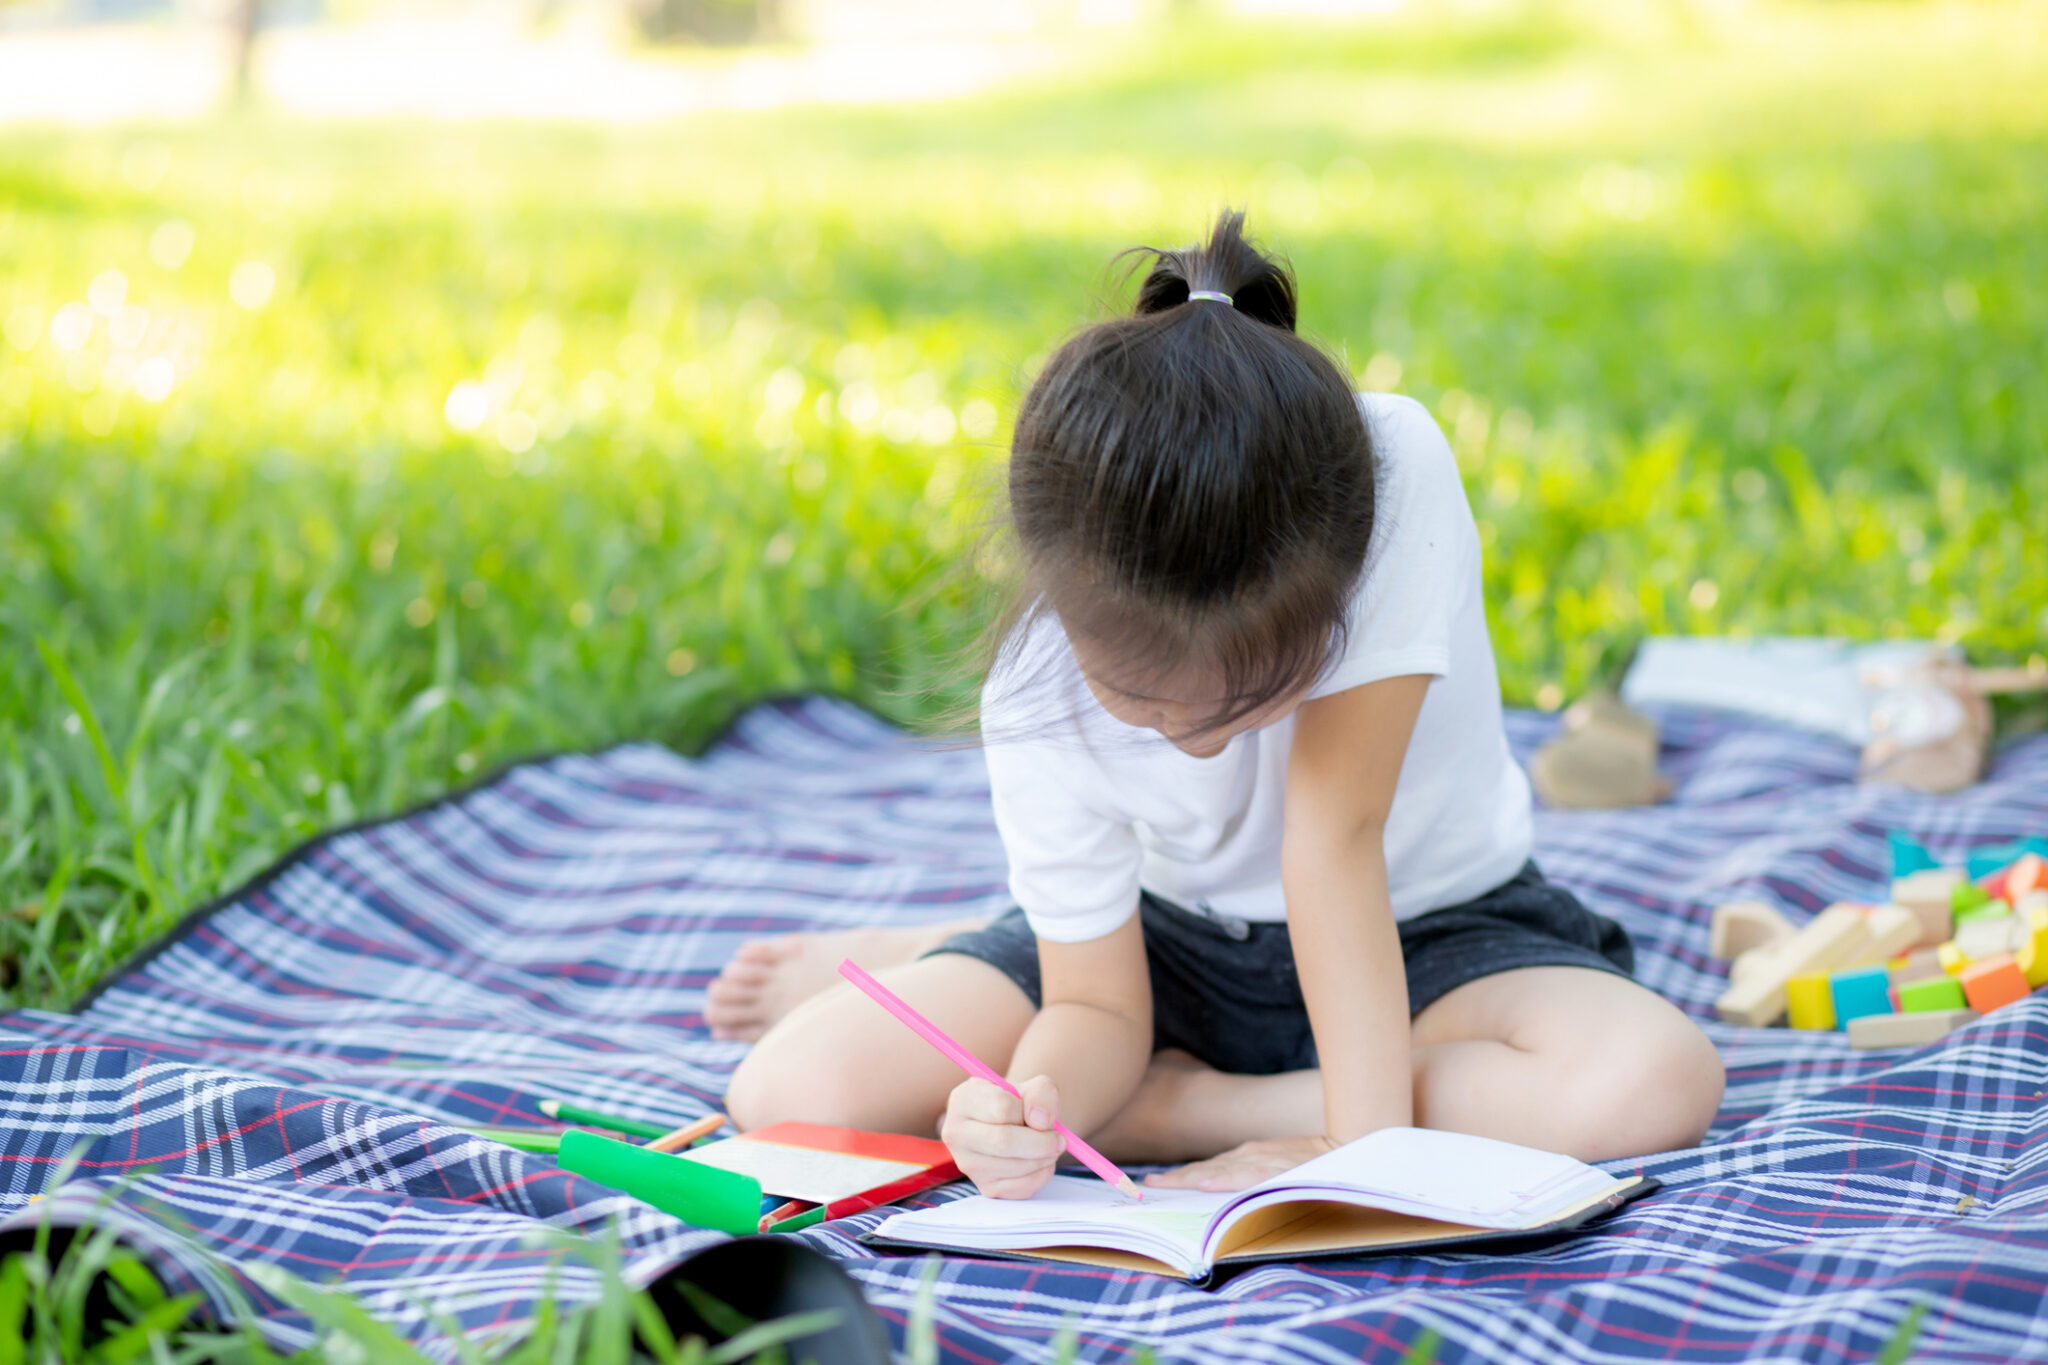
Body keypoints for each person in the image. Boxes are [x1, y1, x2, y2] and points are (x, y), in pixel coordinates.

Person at [718, 211, 1724, 1198]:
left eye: (1244, 699)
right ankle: (987, 959)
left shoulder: (1379, 478)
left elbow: (1331, 841)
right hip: (1166, 948)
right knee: (790, 1092)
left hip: (1427, 927)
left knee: (1647, 1082)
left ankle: (1180, 1106)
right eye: (1145, 706)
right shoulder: (1033, 682)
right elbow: (1097, 1006)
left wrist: (1354, 1158)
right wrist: (1036, 1102)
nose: (1192, 739)